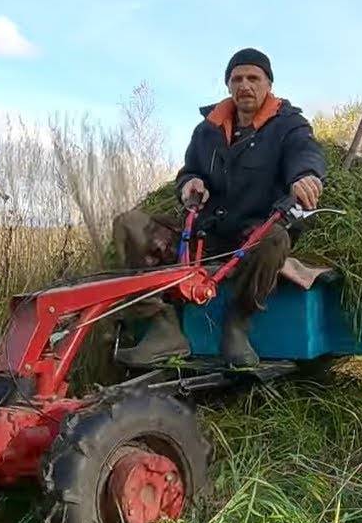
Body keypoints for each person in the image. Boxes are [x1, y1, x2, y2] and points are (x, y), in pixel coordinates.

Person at [115, 48, 327, 367]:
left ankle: (237, 325)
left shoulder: (289, 125)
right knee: (129, 223)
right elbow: (189, 170)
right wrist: (189, 183)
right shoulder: (207, 130)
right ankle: (163, 327)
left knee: (274, 240)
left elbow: (306, 155)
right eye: (237, 78)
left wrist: (305, 177)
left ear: (268, 84)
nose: (245, 85)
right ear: (228, 85)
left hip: (253, 233)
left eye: (253, 78)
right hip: (205, 235)